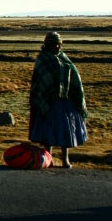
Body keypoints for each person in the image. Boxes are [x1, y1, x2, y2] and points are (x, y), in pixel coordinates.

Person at [29, 31, 87, 168]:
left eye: (59, 44)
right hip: (49, 102)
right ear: (47, 45)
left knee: (66, 130)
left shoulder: (64, 58)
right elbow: (39, 81)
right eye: (55, 44)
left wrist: (75, 95)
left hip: (65, 100)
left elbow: (74, 77)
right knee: (48, 130)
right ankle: (49, 159)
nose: (58, 47)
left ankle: (65, 160)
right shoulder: (42, 60)